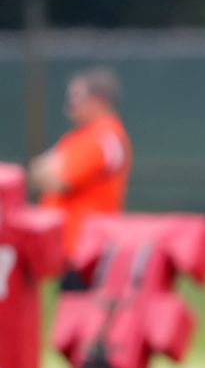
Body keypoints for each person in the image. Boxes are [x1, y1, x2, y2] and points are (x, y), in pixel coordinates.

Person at [28, 67, 132, 291]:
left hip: (89, 249)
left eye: (77, 97)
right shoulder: (79, 137)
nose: (70, 104)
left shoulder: (106, 137)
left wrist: (51, 172)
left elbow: (59, 179)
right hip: (70, 248)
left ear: (99, 100)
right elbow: (37, 171)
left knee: (81, 317)